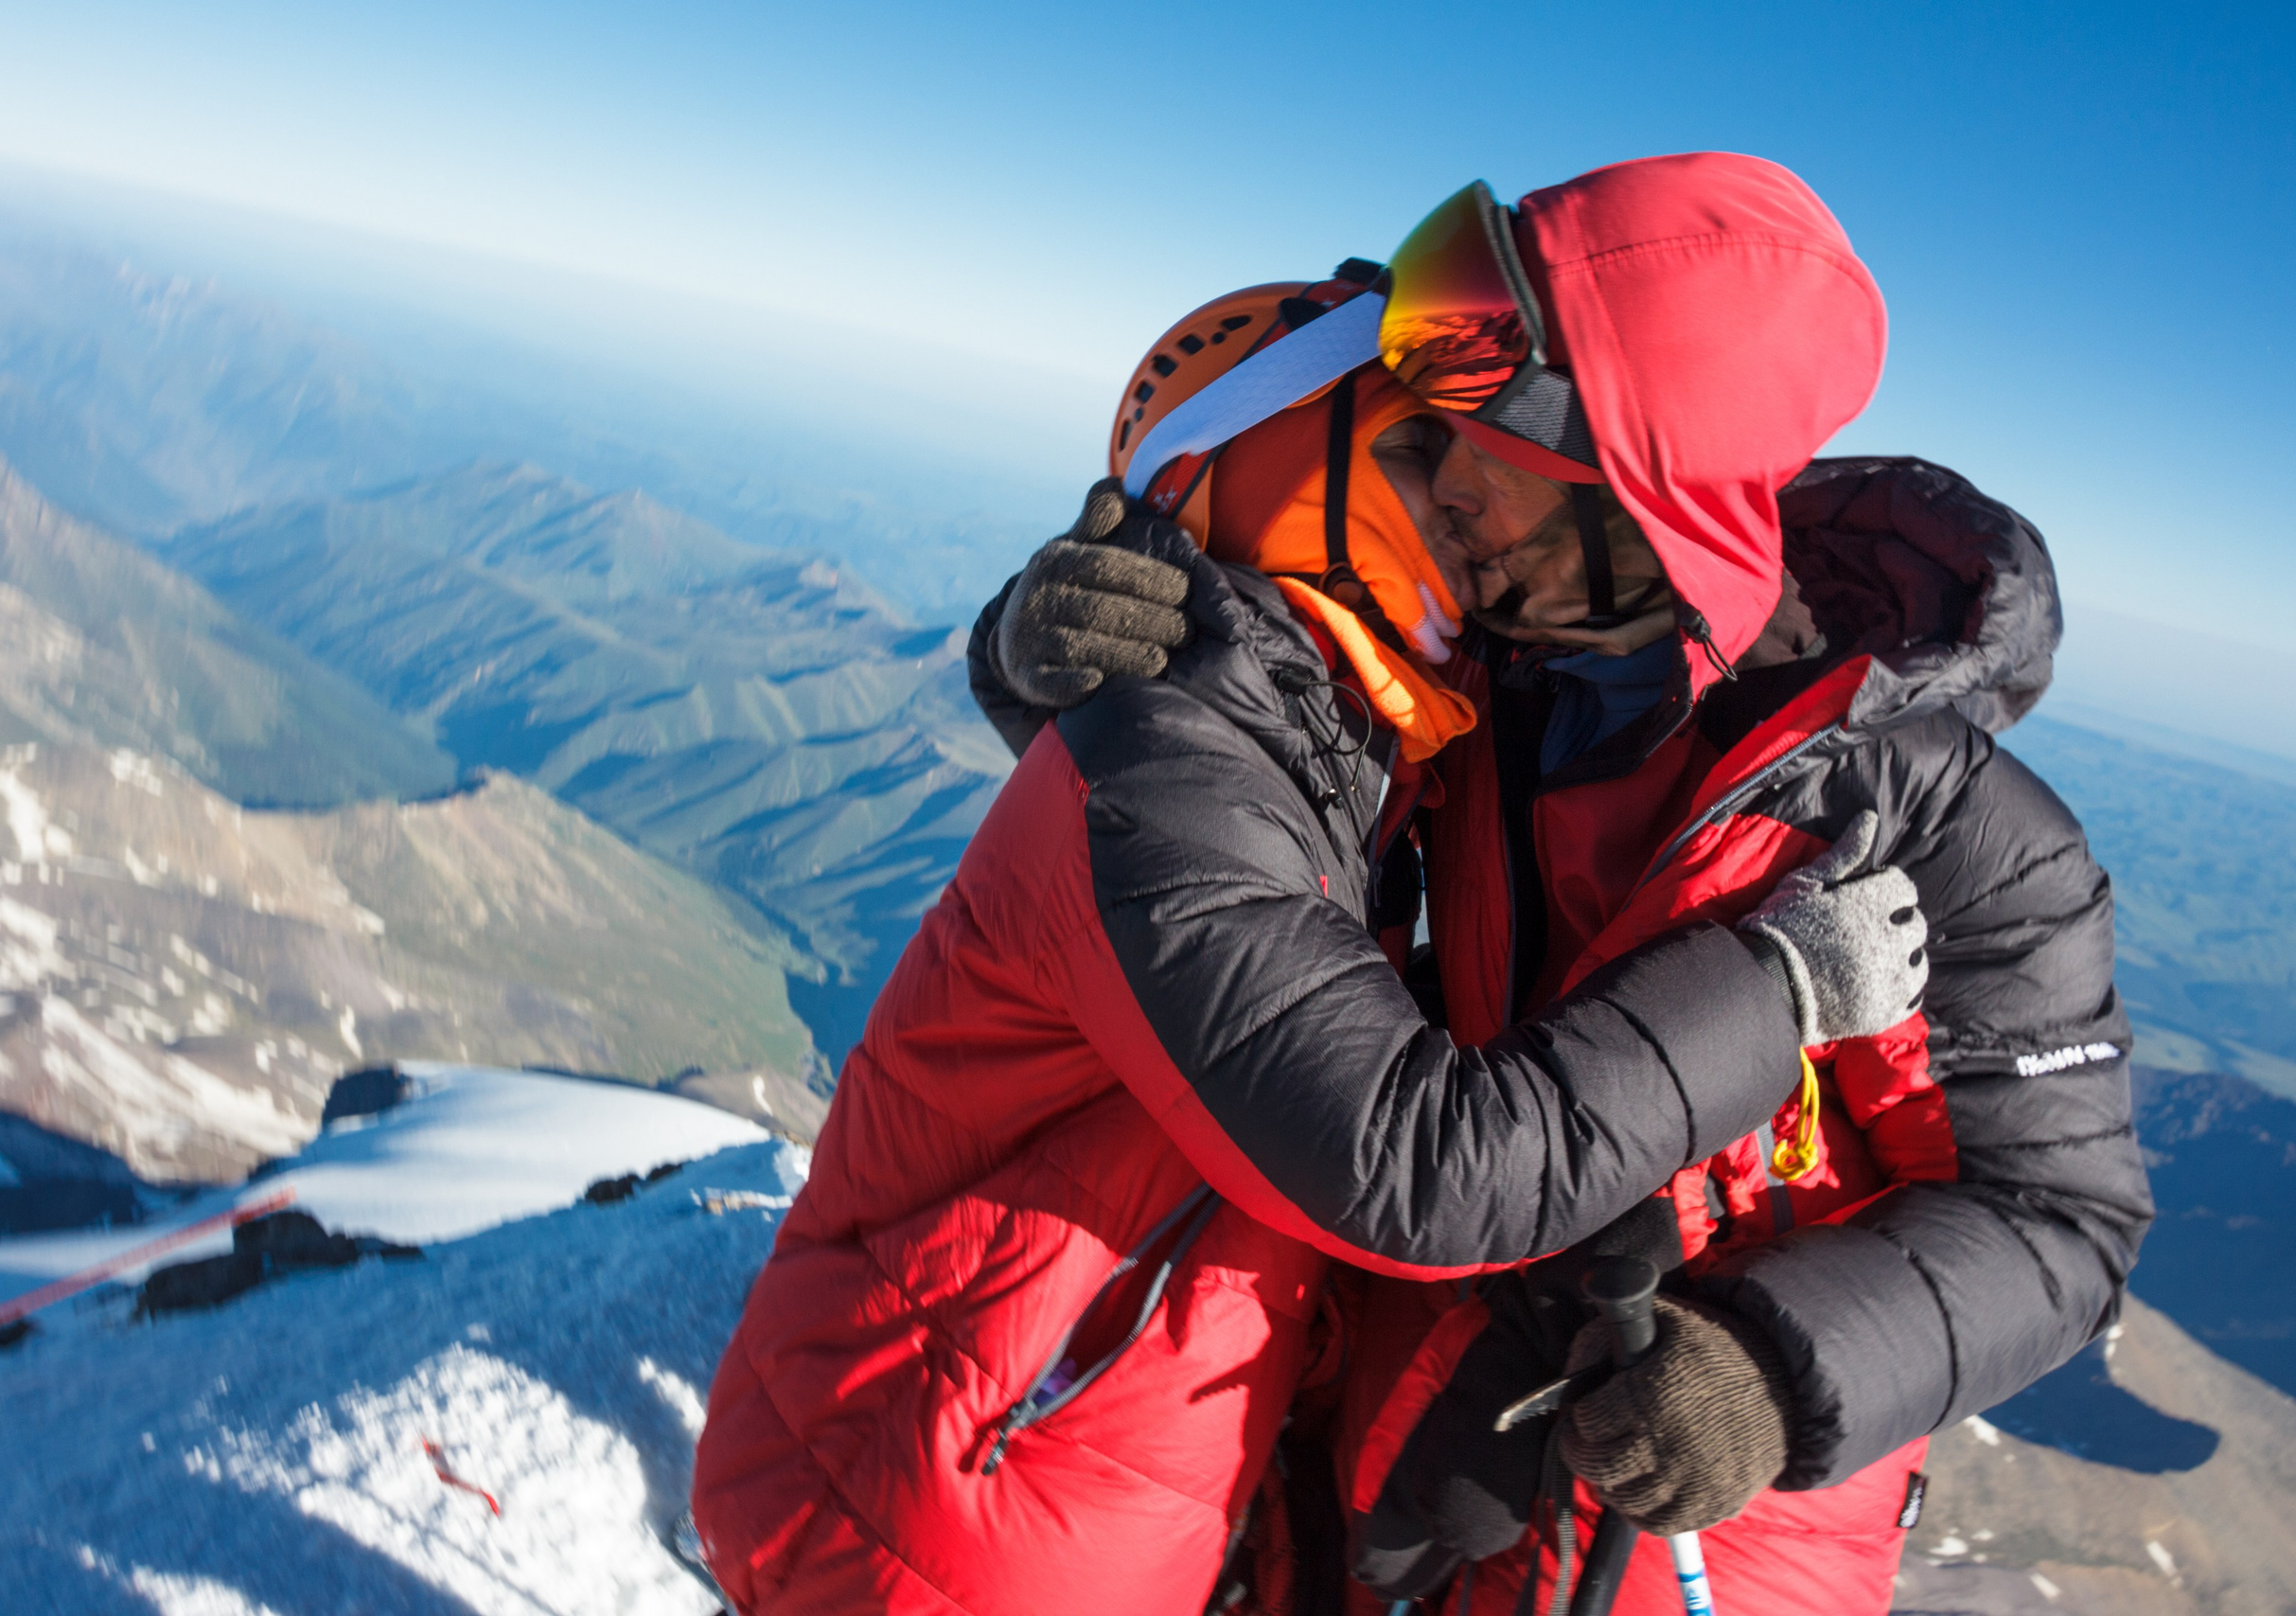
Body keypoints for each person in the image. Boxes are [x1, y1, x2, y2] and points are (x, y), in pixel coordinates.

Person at [980, 152, 2154, 1615]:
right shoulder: (1490, 691)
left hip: (1705, 1530)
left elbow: (2064, 1220)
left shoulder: (1963, 838)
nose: (1441, 480)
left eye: (1499, 445)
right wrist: (1052, 668)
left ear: (1646, 496)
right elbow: (1250, 846)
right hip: (1414, 1434)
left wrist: (1781, 1370)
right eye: (1441, 430)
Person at [688, 262, 1930, 1616]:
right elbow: (1411, 1164)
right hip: (926, 1509)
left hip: (1031, 1466)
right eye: (1421, 451)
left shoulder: (1367, 755)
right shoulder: (1180, 754)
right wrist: (1781, 986)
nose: (1472, 500)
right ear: (1287, 463)